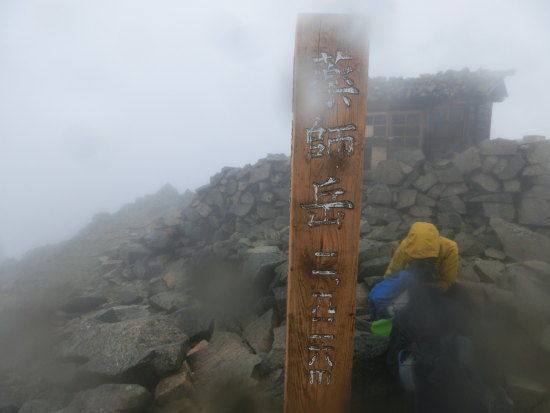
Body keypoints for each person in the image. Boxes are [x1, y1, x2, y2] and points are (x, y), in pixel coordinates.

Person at [385, 222, 459, 292]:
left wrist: (437, 287)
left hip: (436, 278)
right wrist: (386, 287)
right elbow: (393, 271)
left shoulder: (450, 248)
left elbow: (448, 280)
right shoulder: (405, 245)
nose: (423, 261)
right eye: (417, 258)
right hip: (413, 276)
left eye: (428, 259)